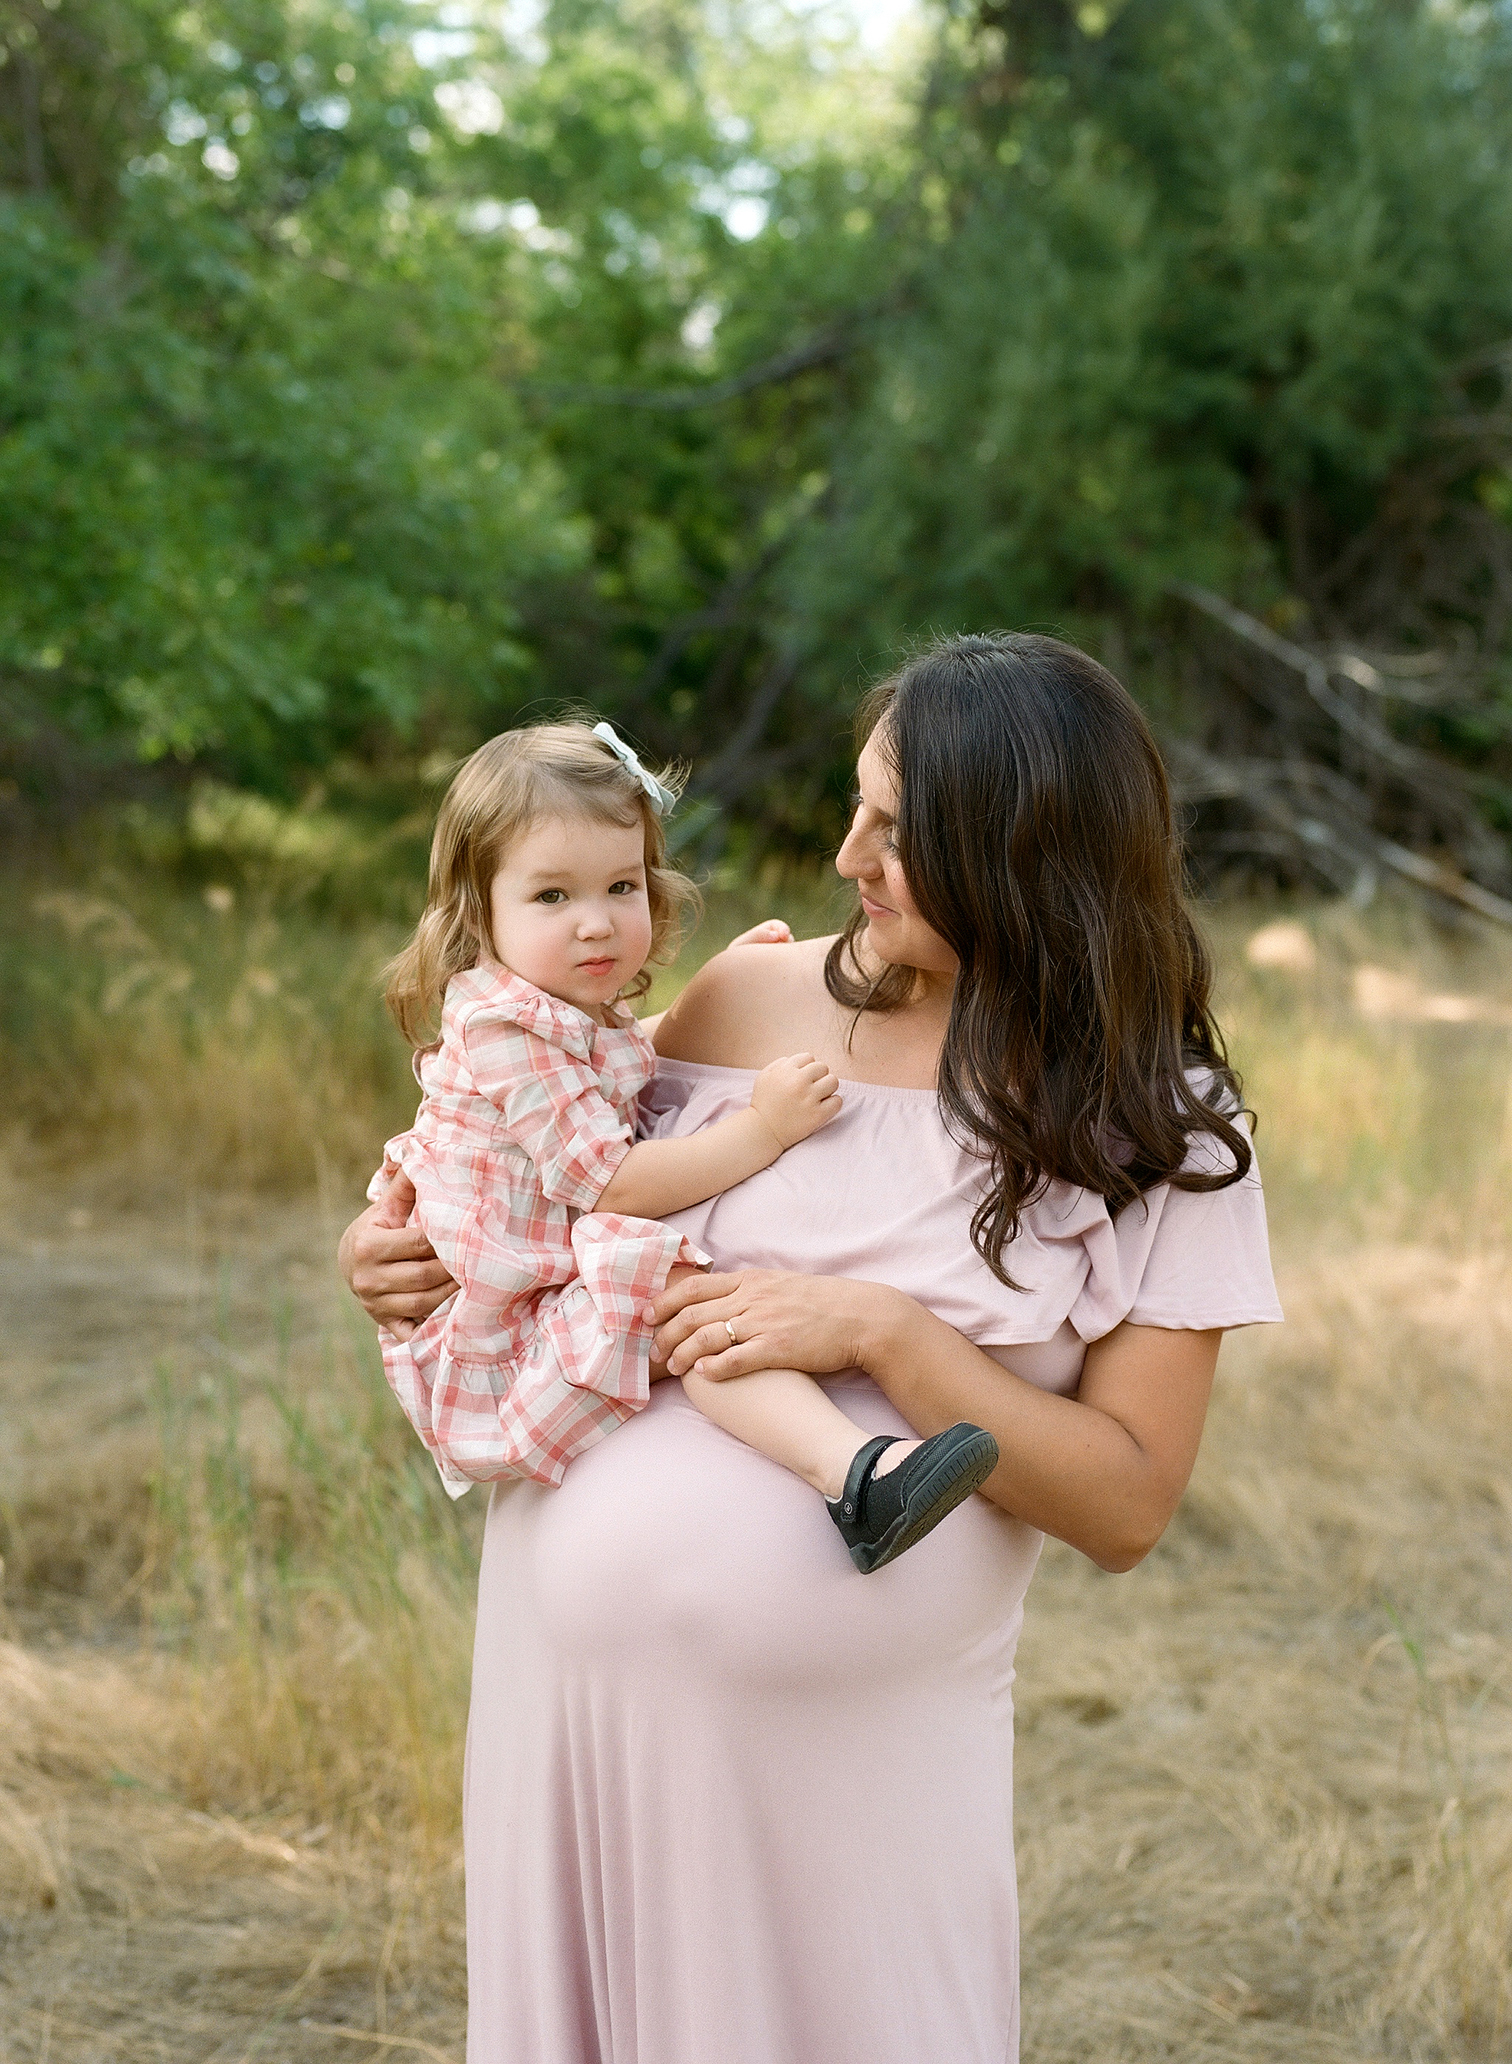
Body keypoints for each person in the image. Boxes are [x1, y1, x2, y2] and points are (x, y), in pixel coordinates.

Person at [340, 633, 1284, 2064]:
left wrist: (884, 1335)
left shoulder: (1154, 1121)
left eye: (895, 830)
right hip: (579, 1698)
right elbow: (531, 1164)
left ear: (1018, 851)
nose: (846, 853)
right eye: (857, 805)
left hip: (850, 1768)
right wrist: (392, 1252)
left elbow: (1130, 1502)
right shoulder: (742, 1008)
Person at [369, 716, 998, 1572]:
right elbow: (609, 1183)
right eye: (552, 897)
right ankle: (853, 1476)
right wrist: (762, 1131)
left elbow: (619, 1063)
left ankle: (859, 1472)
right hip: (507, 1320)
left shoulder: (559, 1012)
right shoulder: (505, 1026)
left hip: (532, 1277)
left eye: (621, 887)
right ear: (479, 913)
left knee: (694, 1309)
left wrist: (731, 993)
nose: (596, 924)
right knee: (693, 1307)